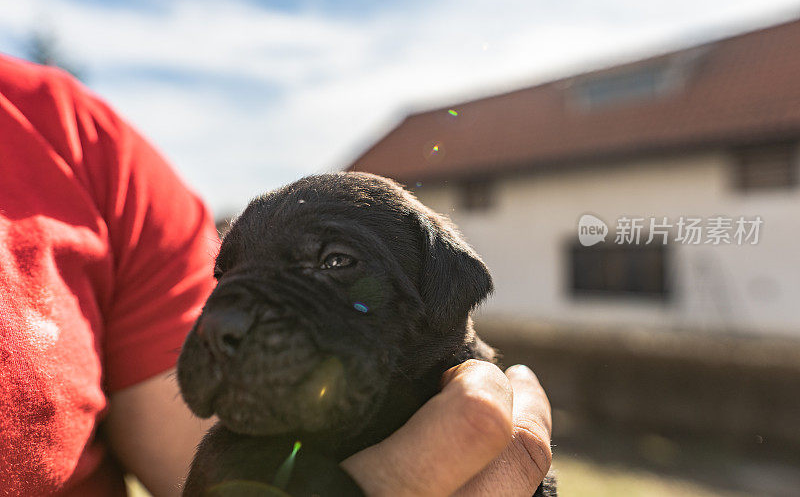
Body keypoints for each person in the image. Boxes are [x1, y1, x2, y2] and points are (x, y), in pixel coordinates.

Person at [0, 53, 552, 496]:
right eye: (226, 280)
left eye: (335, 262)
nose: (223, 318)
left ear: (447, 287)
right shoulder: (238, 448)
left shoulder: (80, 142)